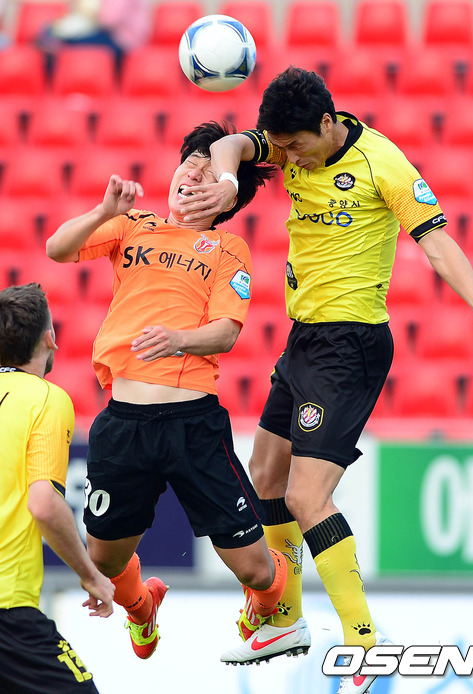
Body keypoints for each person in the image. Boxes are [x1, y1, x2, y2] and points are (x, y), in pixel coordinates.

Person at [176, 67, 473, 692]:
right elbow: (231, 145)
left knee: (306, 498)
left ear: (328, 123)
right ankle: (286, 618)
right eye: (282, 148)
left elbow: (437, 243)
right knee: (265, 474)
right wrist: (226, 180)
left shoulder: (384, 164)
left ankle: (363, 642)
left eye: (297, 146)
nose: (289, 159)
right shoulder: (286, 142)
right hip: (304, 339)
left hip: (350, 347)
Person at [45, 121, 290, 662]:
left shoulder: (227, 249)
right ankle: (142, 606)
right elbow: (57, 249)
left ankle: (268, 599)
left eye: (207, 170)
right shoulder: (132, 225)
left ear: (226, 197)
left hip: (193, 425)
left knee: (257, 571)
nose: (193, 173)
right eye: (189, 163)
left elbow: (226, 332)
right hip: (124, 424)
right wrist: (103, 211)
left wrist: (179, 339)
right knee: (103, 562)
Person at [0, 282, 115, 694]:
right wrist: (92, 576)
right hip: (8, 610)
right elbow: (45, 505)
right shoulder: (46, 399)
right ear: (50, 338)